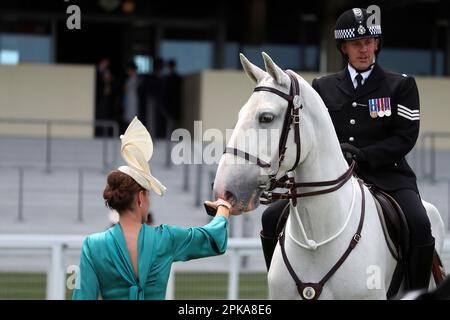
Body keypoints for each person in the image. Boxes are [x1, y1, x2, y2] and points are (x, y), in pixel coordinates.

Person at [260, 7, 435, 292]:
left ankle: (416, 293)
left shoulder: (400, 85)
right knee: (270, 218)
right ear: (344, 48)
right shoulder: (322, 87)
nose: (363, 49)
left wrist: (365, 155)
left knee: (419, 223)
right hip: (332, 178)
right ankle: (283, 285)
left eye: (368, 42)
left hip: (387, 177)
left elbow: (405, 137)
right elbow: (310, 135)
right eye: (356, 44)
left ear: (377, 43)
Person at [72, 117, 233, 300]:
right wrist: (224, 206)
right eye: (148, 195)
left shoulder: (92, 246)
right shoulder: (166, 238)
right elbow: (212, 239)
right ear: (140, 197)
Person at [122, 61, 139, 131]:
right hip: (129, 100)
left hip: (133, 101)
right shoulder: (130, 79)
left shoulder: (135, 79)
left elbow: (125, 88)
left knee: (131, 118)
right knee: (129, 119)